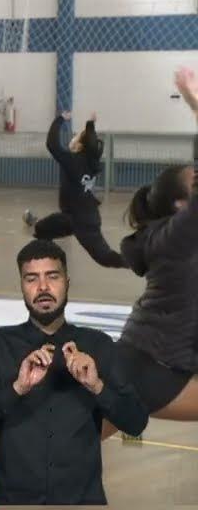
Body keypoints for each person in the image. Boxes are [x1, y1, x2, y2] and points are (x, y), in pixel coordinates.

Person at [0, 240, 148, 505]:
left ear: (67, 282)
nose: (43, 287)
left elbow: (135, 423)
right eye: (32, 279)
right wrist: (15, 389)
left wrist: (97, 386)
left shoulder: (98, 346)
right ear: (21, 285)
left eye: (52, 276)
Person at [114, 66, 198, 422]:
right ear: (181, 206)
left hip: (150, 358)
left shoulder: (177, 237)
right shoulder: (176, 237)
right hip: (155, 367)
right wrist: (193, 99)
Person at [23, 111, 125, 268]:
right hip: (82, 217)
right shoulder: (91, 162)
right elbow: (91, 145)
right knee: (42, 228)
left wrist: (60, 119)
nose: (72, 138)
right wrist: (90, 125)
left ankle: (141, 262)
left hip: (80, 221)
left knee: (105, 257)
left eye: (76, 137)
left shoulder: (73, 161)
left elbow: (52, 144)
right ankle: (50, 260)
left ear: (79, 145)